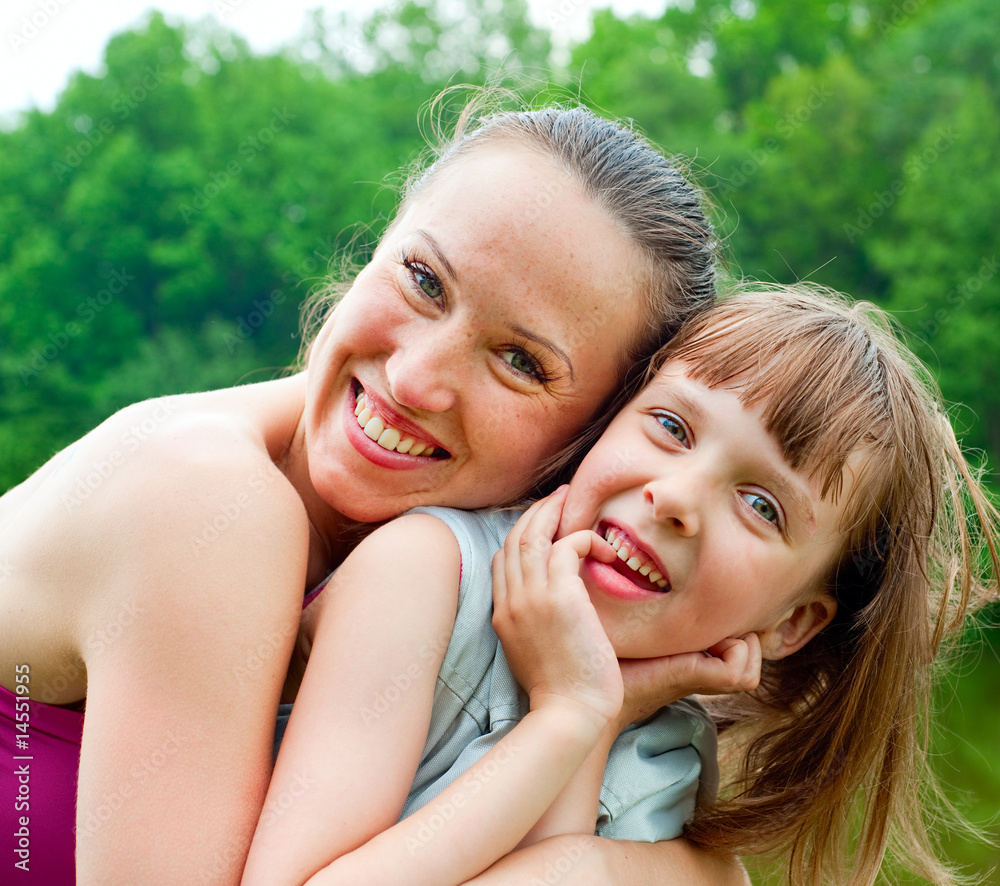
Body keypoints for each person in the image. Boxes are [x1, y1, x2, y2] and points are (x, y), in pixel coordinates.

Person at [0, 100, 749, 886]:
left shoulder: (467, 620)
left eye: (521, 362)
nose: (413, 378)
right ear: (376, 246)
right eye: (424, 279)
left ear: (591, 440)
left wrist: (605, 723)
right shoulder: (215, 505)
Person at [244, 285, 1000, 886]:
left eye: (761, 506)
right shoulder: (427, 574)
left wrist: (597, 712)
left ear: (794, 621)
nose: (676, 498)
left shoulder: (670, 761)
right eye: (671, 427)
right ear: (606, 421)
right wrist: (569, 715)